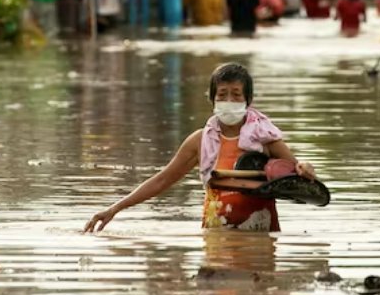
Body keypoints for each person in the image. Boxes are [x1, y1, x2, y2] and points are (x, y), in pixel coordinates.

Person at [84, 63, 317, 233]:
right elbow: (162, 180)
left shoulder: (266, 138)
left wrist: (305, 167)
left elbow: (296, 174)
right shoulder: (200, 141)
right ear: (212, 100)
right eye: (222, 95)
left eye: (236, 95)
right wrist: (114, 208)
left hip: (260, 234)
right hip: (215, 233)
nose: (229, 101)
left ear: (248, 100)